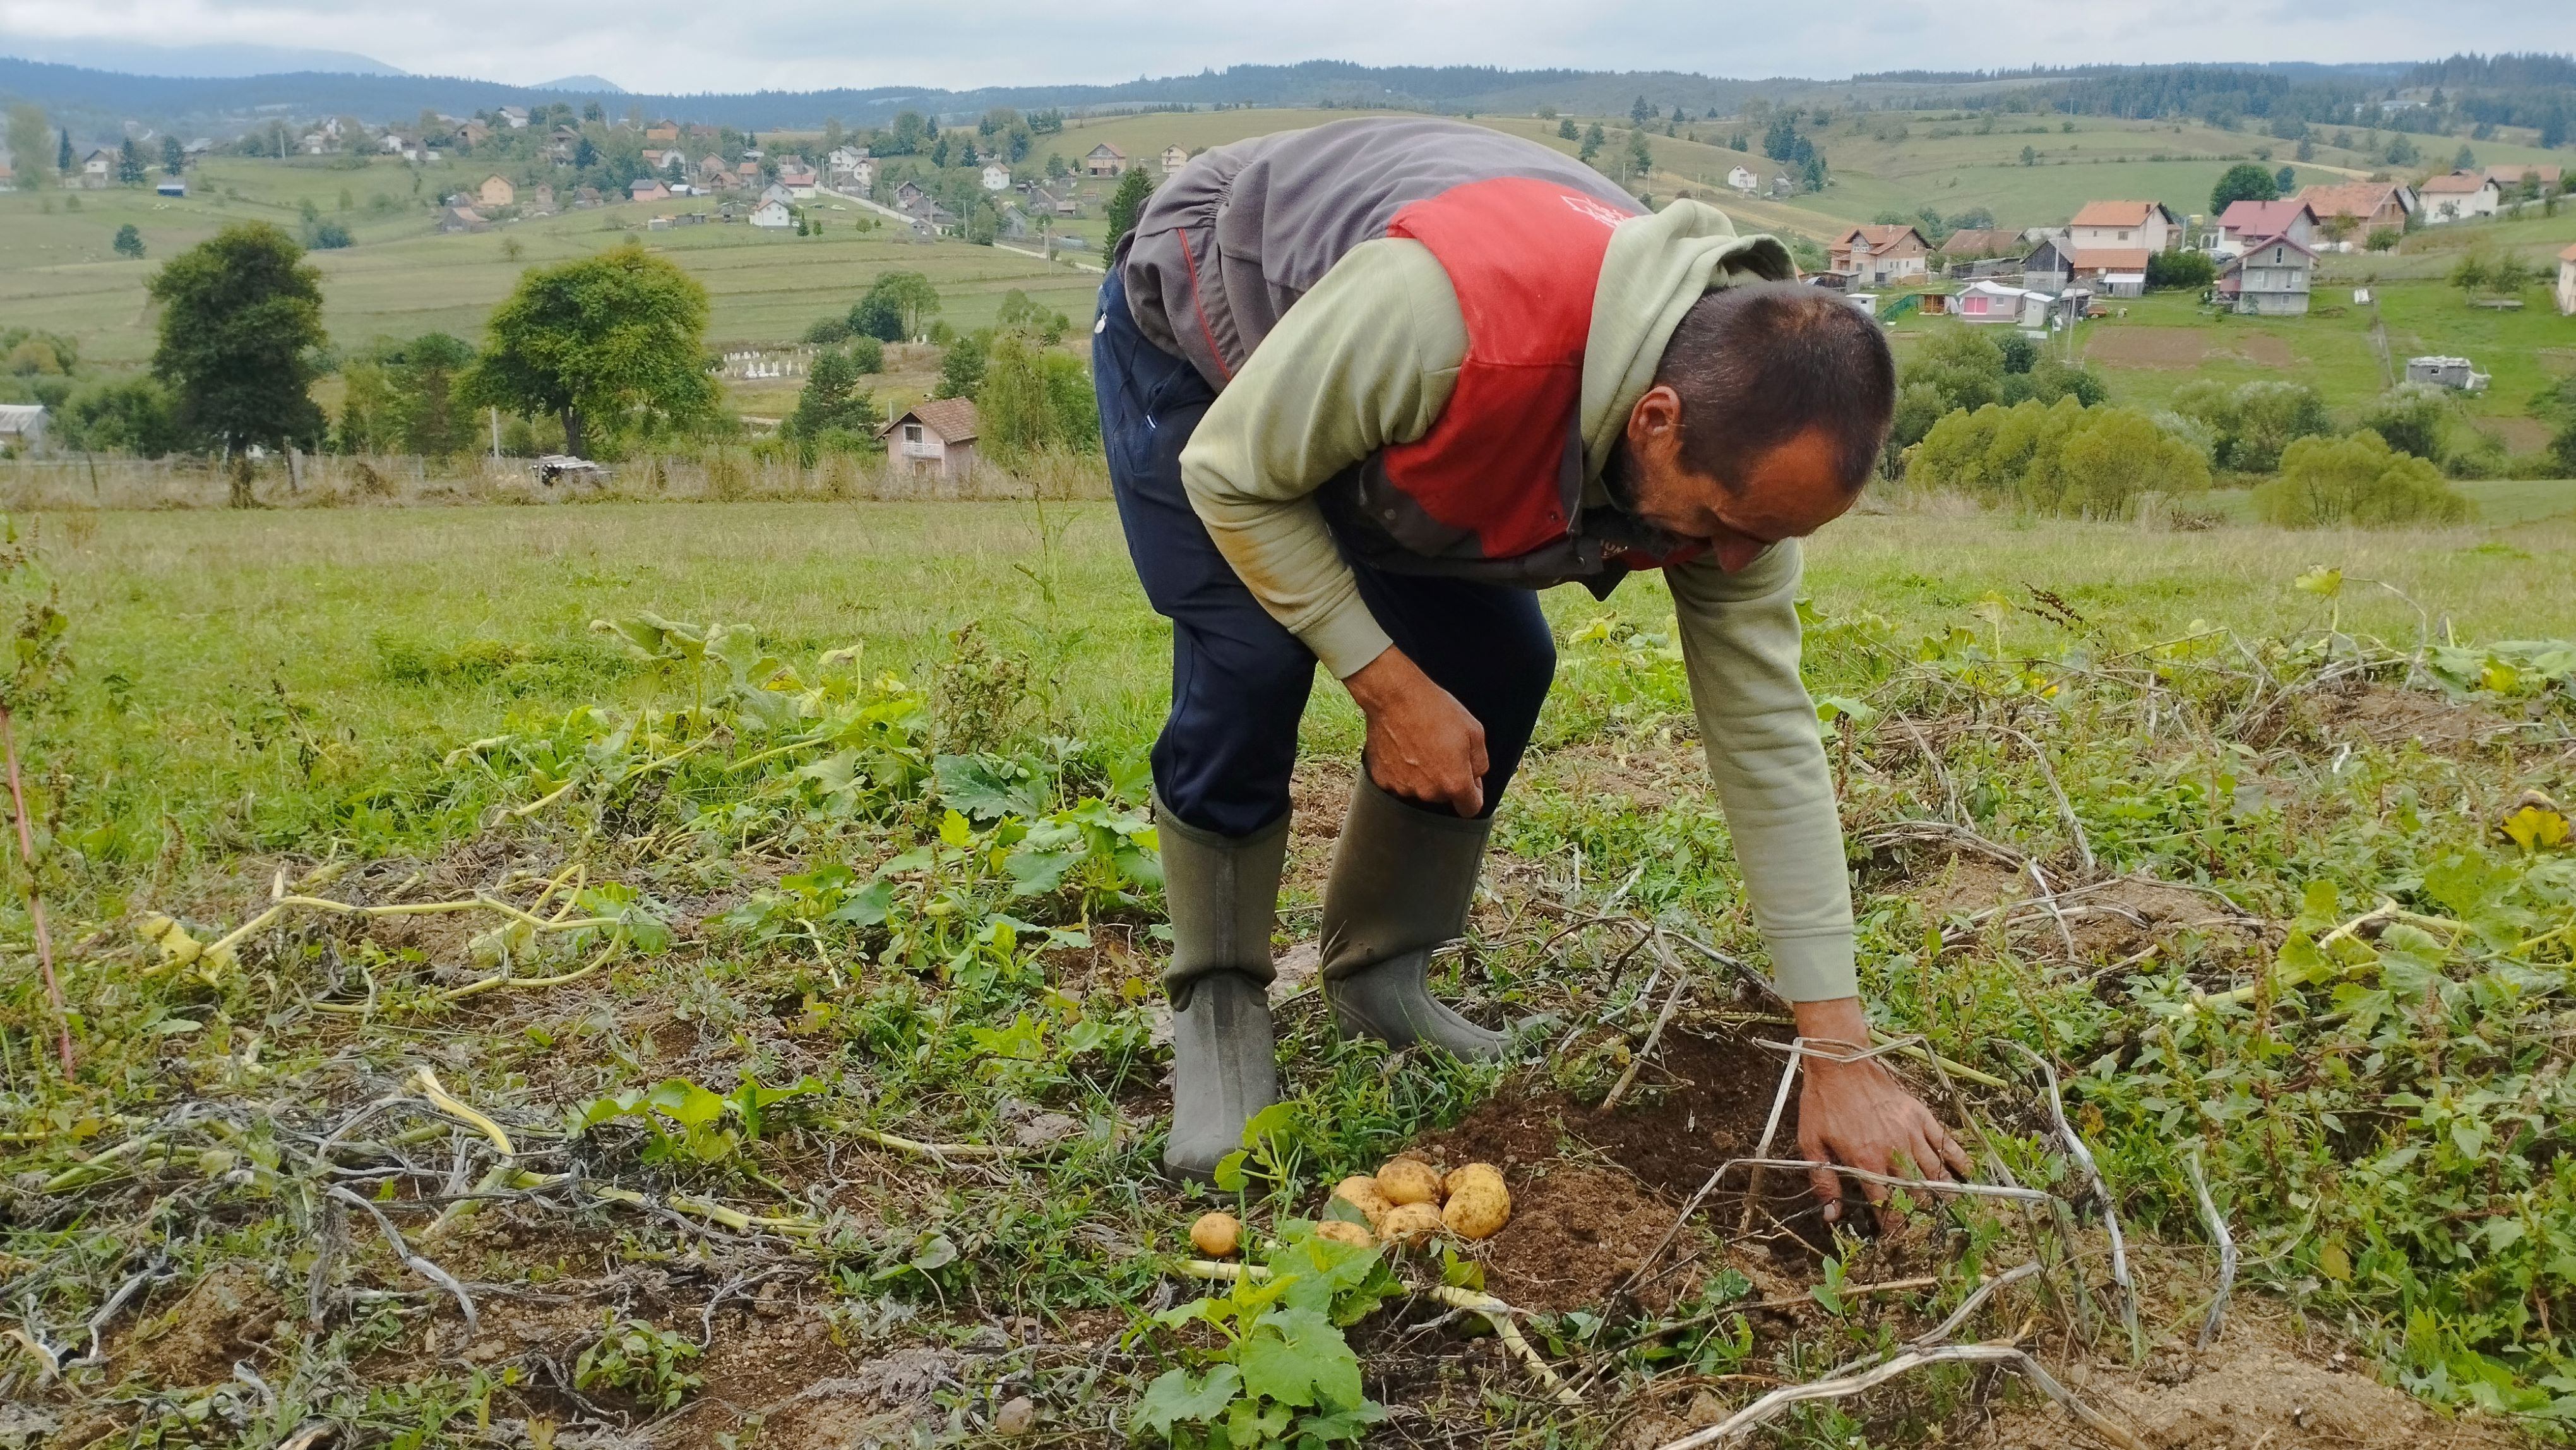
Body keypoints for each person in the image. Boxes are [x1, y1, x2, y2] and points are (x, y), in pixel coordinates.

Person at [1094, 116, 1969, 1223]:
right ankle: (1220, 1001)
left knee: (1498, 661)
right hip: (1212, 338)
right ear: (1656, 422)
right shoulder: (1446, 329)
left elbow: (1767, 735)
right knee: (1252, 660)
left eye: (1772, 537)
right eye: (1728, 525)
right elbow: (1235, 477)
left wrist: (1838, 1048)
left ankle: (1379, 976)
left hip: (1394, 409)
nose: (1736, 561)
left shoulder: (1742, 444)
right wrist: (1383, 682)